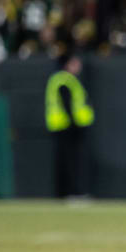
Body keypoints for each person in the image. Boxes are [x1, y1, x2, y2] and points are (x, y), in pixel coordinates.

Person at [46, 53, 94, 198]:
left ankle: (67, 192)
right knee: (70, 162)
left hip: (66, 127)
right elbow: (67, 104)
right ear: (68, 64)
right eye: (75, 62)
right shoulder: (63, 80)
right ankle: (73, 192)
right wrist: (75, 123)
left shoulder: (67, 80)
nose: (78, 65)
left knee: (68, 161)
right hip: (67, 127)